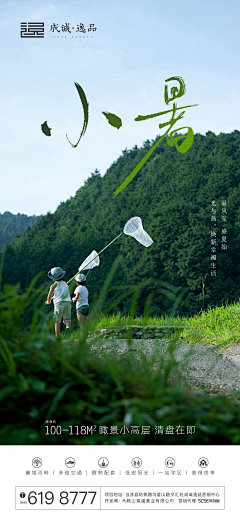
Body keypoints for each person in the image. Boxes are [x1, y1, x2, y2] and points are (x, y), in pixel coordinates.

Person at [45, 267, 71, 336]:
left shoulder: (53, 286)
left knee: (57, 320)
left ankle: (57, 336)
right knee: (67, 319)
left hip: (59, 303)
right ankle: (68, 327)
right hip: (68, 302)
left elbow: (49, 295)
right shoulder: (65, 284)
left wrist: (48, 301)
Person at [72, 273, 89, 337]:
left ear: (77, 282)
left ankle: (83, 338)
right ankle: (86, 336)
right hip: (86, 306)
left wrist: (73, 299)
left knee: (81, 324)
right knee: (85, 323)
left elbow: (77, 297)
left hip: (80, 307)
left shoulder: (78, 288)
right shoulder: (85, 288)